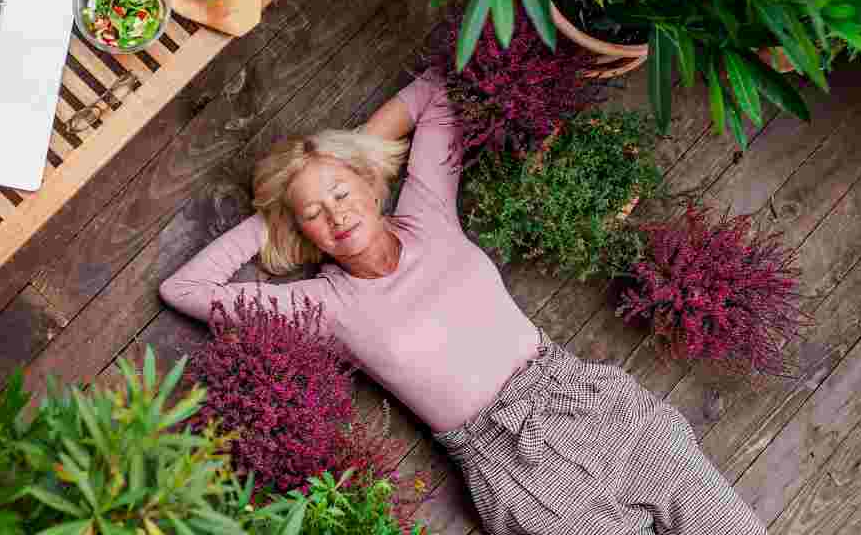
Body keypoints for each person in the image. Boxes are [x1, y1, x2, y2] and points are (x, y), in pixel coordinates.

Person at [159, 76, 767, 535]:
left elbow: (435, 92)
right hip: (514, 469)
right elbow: (184, 291)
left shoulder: (426, 214)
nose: (336, 215)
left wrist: (345, 156)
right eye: (314, 214)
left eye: (342, 193)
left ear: (369, 185)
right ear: (303, 232)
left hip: (591, 408)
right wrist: (274, 218)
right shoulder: (323, 306)